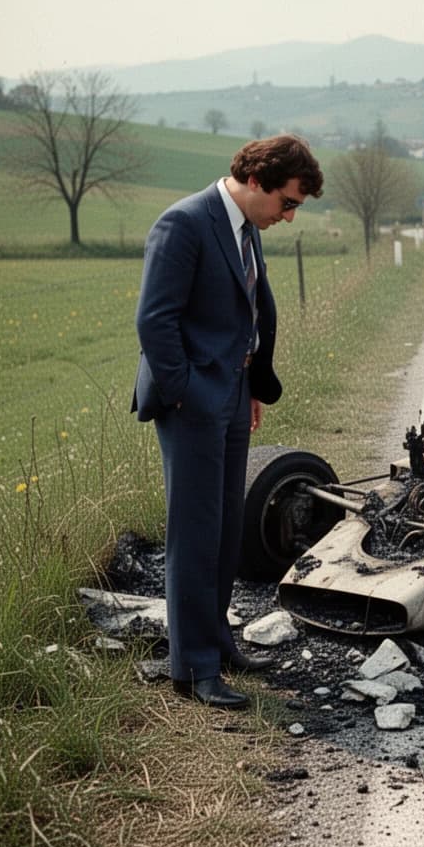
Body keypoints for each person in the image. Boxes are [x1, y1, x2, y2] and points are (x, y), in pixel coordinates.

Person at [132, 135, 323, 708]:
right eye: (287, 203)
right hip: (193, 401)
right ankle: (191, 669)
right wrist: (191, 393)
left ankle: (215, 643)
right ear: (260, 181)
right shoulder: (184, 223)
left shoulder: (244, 228)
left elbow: (247, 310)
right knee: (193, 533)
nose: (287, 217)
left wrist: (248, 385)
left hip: (234, 395)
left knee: (224, 529)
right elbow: (154, 322)